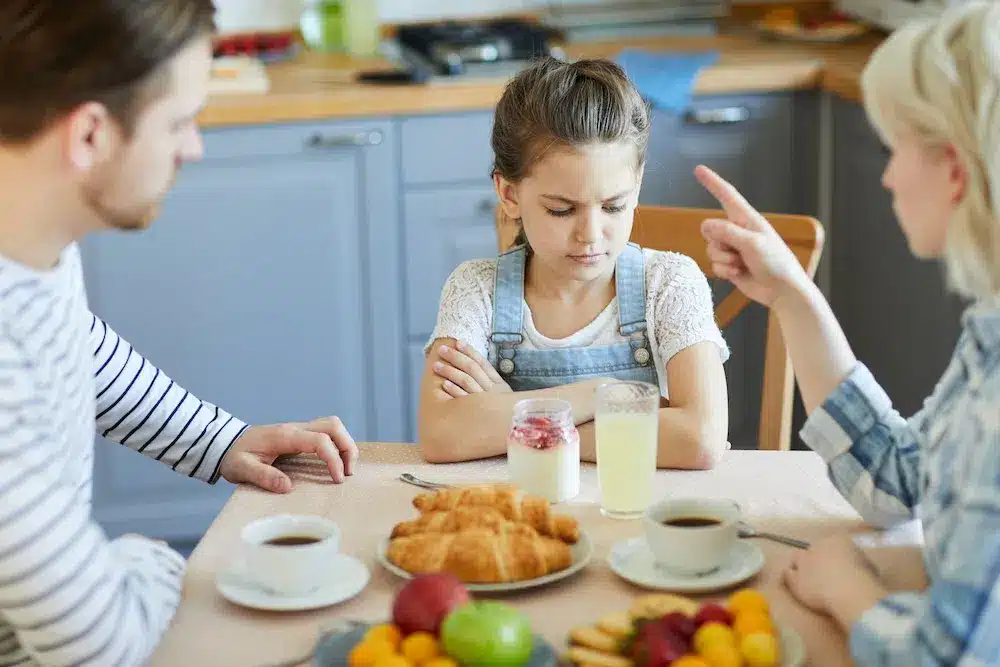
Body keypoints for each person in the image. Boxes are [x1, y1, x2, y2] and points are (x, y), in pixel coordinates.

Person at [0, 1, 359, 664]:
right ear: (89, 136)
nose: (193, 147)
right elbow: (101, 646)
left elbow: (78, 346)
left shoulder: (27, 243)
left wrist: (221, 440)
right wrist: (155, 559)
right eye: (179, 121)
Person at [697, 3, 1000, 664]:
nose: (888, 174)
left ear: (952, 168)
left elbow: (942, 658)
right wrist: (793, 297)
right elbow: (897, 480)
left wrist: (849, 589)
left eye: (896, 149)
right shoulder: (989, 339)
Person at [418, 57, 730, 468]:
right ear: (510, 194)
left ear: (636, 186)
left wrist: (518, 418)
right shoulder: (476, 290)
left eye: (614, 206)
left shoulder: (670, 282)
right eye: (562, 210)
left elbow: (700, 439)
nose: (591, 234)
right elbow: (441, 434)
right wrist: (600, 394)